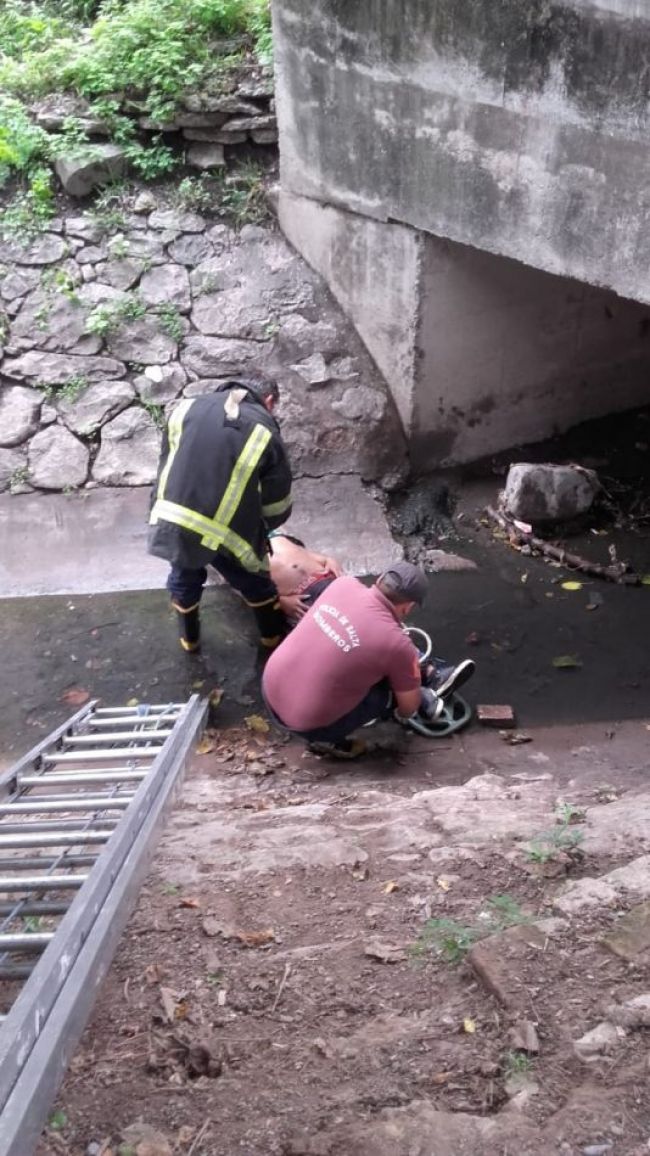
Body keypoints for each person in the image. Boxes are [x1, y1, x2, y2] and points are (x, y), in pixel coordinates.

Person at [262, 561, 475, 759]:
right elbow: (407, 710)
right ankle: (326, 740)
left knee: (367, 657)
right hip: (307, 725)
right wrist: (407, 697)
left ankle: (426, 674)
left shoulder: (342, 585)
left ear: (380, 579)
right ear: (408, 607)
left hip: (270, 689)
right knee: (387, 691)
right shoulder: (396, 643)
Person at [148, 374, 293, 653]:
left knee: (184, 576)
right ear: (269, 401)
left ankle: (189, 641)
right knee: (255, 582)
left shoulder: (186, 407)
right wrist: (265, 529)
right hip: (225, 529)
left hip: (172, 514)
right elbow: (277, 499)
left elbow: (167, 462)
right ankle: (272, 640)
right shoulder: (263, 427)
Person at [268, 530, 343, 623]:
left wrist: (330, 561)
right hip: (301, 599)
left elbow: (324, 559)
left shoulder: (280, 539)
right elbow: (257, 598)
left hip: (326, 579)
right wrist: (281, 602)